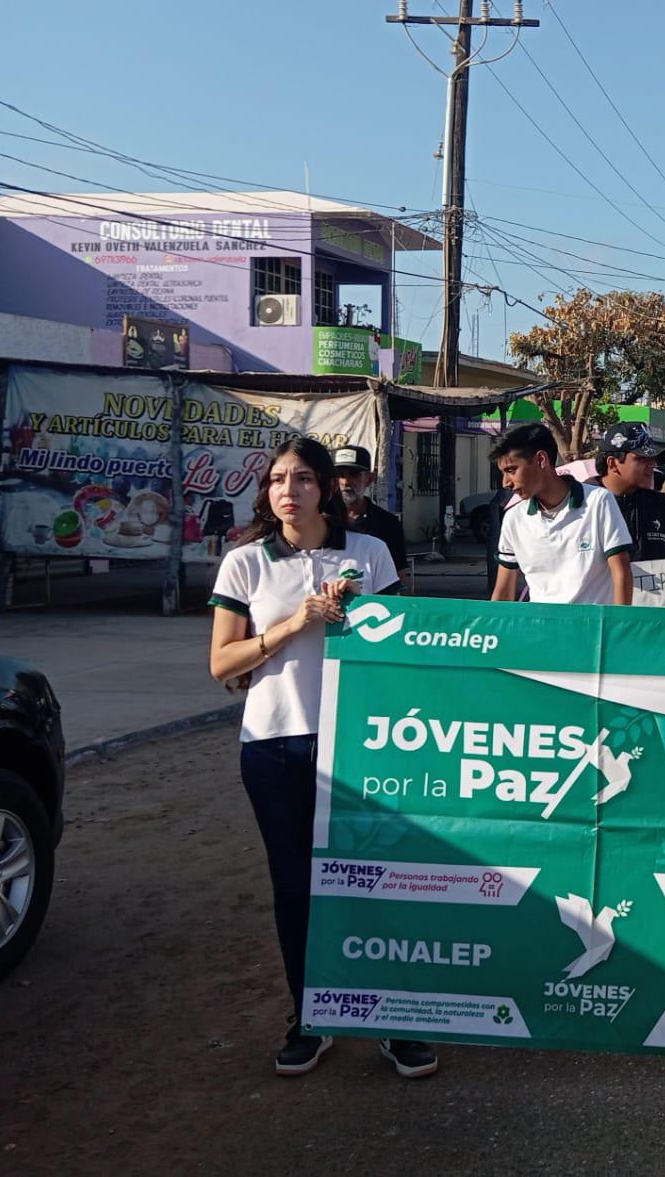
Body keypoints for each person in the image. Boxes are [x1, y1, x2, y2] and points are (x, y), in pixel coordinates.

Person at [208, 436, 436, 1080]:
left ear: (328, 488)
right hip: (276, 744)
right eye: (279, 479)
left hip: (362, 745)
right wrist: (292, 624)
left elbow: (404, 647)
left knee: (374, 882)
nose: (289, 490)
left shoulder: (368, 552)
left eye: (303, 479)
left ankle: (391, 1019)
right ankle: (310, 1015)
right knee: (295, 888)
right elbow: (223, 662)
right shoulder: (245, 563)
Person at [490, 423, 633, 605]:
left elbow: (621, 572)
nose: (505, 483)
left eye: (511, 470)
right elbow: (503, 591)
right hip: (539, 630)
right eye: (502, 473)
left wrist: (617, 628)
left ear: (541, 460)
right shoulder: (514, 518)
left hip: (592, 630)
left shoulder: (599, 501)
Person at [591, 424, 665, 564]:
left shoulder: (663, 507)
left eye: (653, 458)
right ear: (612, 464)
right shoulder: (583, 506)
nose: (652, 464)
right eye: (641, 459)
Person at [331, 445, 412, 594]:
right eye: (339, 475)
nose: (345, 482)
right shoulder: (318, 519)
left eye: (353, 474)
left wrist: (409, 611)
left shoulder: (388, 523)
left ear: (369, 479)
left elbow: (400, 576)